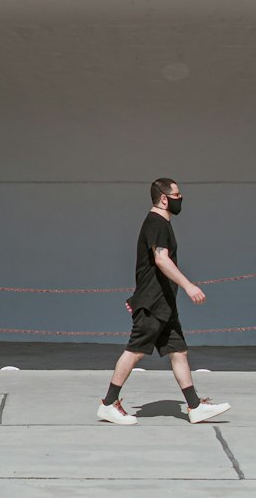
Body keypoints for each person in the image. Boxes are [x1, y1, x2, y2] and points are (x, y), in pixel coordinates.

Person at [97, 177, 229, 425]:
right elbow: (161, 260)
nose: (181, 200)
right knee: (135, 351)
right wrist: (188, 285)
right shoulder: (156, 223)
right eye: (177, 195)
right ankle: (108, 404)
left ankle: (194, 406)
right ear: (164, 198)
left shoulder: (161, 223)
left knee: (178, 351)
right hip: (152, 303)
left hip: (164, 303)